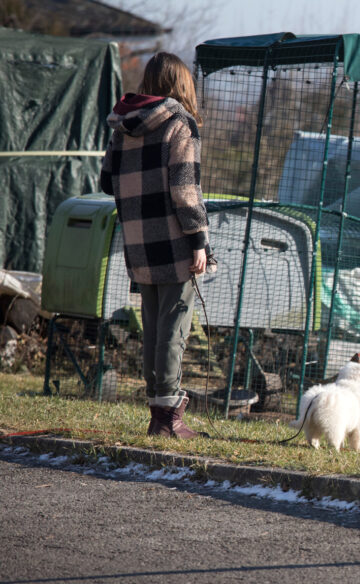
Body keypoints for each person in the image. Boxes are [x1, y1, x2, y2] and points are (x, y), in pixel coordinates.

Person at [100, 52, 213, 438]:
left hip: (137, 241)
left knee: (153, 326)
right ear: (182, 84)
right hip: (174, 240)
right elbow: (185, 189)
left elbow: (106, 181)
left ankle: (158, 412)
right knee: (174, 326)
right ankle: (167, 417)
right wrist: (198, 240)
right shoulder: (180, 123)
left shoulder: (124, 124)